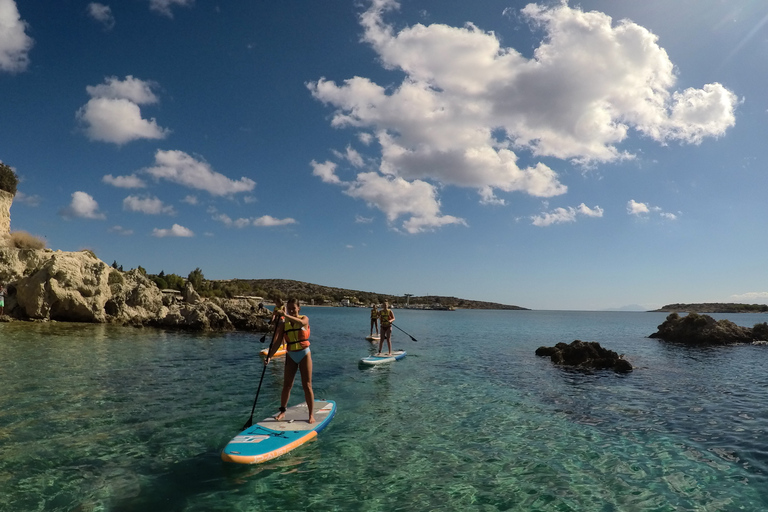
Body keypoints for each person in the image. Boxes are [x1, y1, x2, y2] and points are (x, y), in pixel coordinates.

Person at [264, 298, 315, 423]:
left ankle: (311, 415)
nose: (291, 310)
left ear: (299, 308)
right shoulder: (284, 324)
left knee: (307, 385)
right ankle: (282, 411)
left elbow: (300, 323)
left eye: (294, 308)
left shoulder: (304, 319)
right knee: (287, 385)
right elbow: (277, 342)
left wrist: (285, 315)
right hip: (291, 355)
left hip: (304, 354)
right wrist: (270, 356)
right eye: (289, 308)